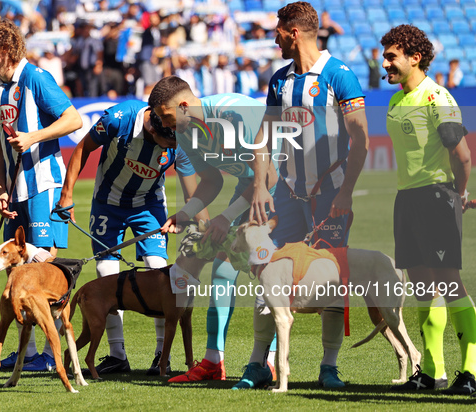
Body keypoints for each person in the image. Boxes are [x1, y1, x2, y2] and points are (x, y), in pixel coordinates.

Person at [248, 1, 369, 389]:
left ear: (293, 32)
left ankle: (329, 367)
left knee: (331, 281)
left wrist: (346, 193)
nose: (275, 38)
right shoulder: (279, 80)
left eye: (278, 31)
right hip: (286, 195)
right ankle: (258, 363)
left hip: (329, 194)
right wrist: (258, 189)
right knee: (269, 274)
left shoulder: (339, 76)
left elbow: (361, 140)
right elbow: (263, 138)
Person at [55, 100, 202, 376]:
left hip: (149, 205)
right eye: (166, 142)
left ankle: (162, 356)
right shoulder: (119, 119)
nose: (170, 148)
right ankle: (117, 354)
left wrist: (185, 216)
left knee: (161, 272)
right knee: (105, 272)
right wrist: (67, 194)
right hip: (108, 203)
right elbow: (83, 147)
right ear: (154, 126)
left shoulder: (179, 138)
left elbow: (192, 192)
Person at [0, 16, 83, 372]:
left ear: (4, 47)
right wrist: (0, 189)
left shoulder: (35, 78)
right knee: (15, 269)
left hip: (43, 186)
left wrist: (34, 137)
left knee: (44, 266)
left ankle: (52, 352)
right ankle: (31, 353)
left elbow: (74, 119)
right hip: (15, 191)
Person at [151, 75, 279, 383]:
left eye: (166, 117)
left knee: (266, 273)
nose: (166, 126)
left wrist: (225, 217)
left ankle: (268, 361)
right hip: (249, 189)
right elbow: (212, 181)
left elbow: (270, 178)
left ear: (183, 105)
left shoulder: (234, 114)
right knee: (223, 270)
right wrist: (185, 213)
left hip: (286, 189)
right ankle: (213, 362)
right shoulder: (184, 132)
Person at [381, 24, 476, 395]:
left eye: (391, 56)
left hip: (437, 197)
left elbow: (463, 155)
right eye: (385, 56)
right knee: (422, 285)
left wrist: (460, 193)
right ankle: (432, 373)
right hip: (406, 199)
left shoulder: (437, 98)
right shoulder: (395, 100)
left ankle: (469, 372)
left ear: (414, 57)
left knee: (448, 282)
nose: (385, 63)